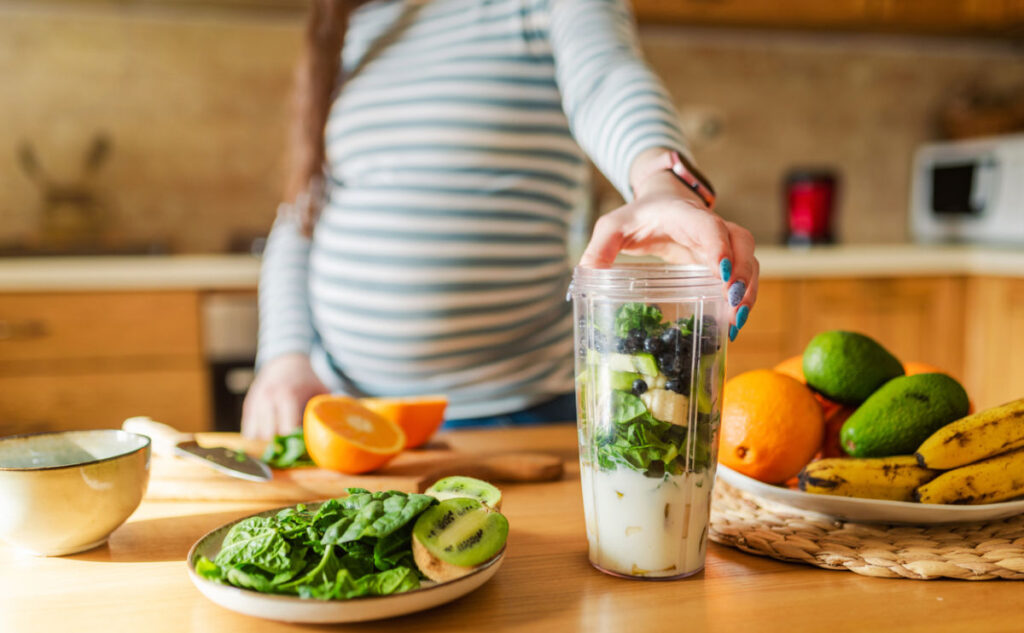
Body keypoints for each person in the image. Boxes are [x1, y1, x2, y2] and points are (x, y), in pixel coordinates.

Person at [241, 0, 759, 439]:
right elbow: (302, 215)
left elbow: (606, 76)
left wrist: (659, 182)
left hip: (516, 417)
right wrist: (284, 354)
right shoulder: (362, 25)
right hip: (354, 417)